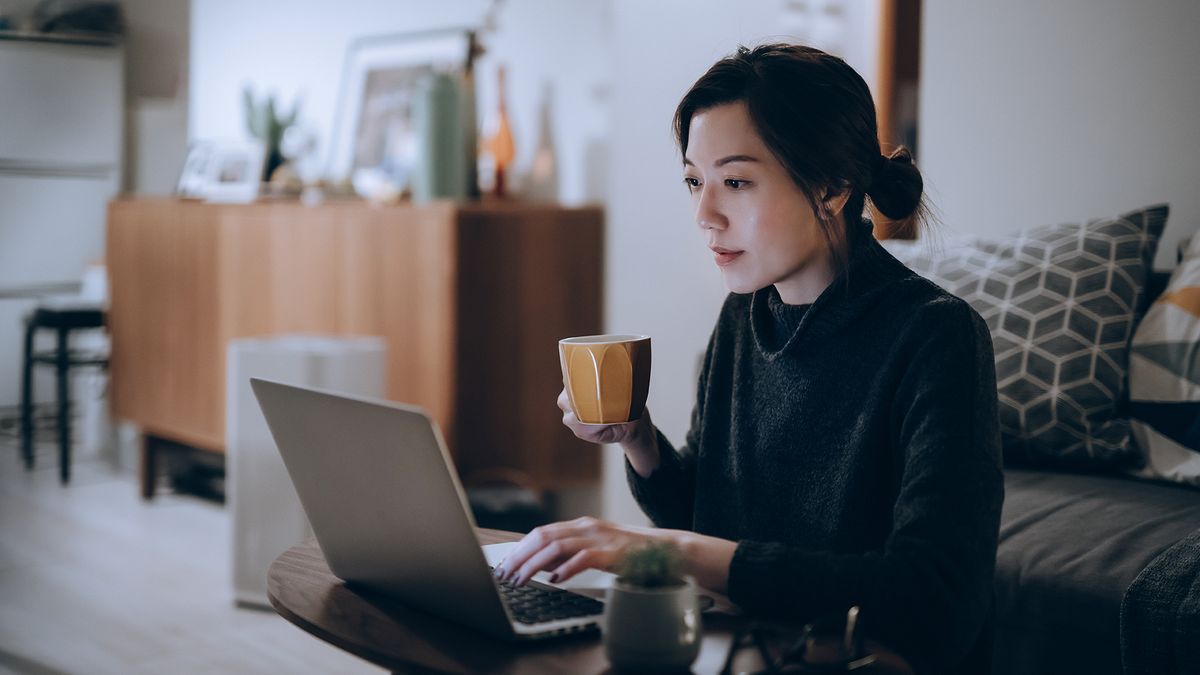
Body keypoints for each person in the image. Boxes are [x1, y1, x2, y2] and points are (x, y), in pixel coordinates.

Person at [495, 43, 1003, 674]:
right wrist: (639, 438)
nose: (704, 215)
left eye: (735, 181)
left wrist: (667, 549)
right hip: (743, 647)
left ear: (833, 186)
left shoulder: (937, 336)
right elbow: (707, 517)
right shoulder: (746, 315)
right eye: (693, 181)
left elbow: (936, 600)